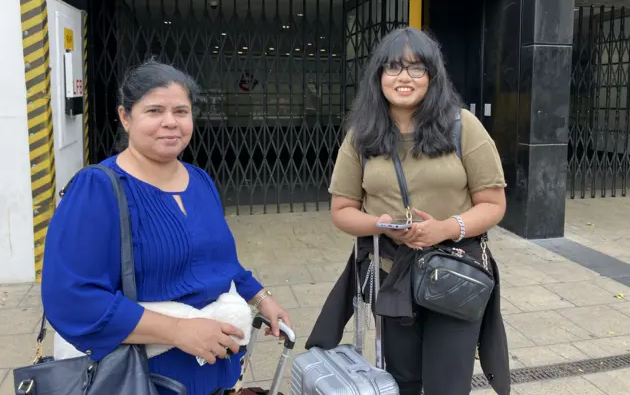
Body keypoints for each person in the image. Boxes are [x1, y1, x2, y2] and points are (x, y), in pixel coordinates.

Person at [41, 61, 291, 395]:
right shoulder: (97, 189)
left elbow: (220, 261)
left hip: (218, 370)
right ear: (125, 117)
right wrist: (178, 331)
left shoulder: (200, 181)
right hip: (141, 379)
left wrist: (261, 298)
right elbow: (71, 298)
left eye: (181, 111)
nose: (170, 122)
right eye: (155, 110)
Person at [305, 27, 510, 395]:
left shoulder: (464, 127)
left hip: (455, 276)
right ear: (378, 76)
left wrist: (446, 228)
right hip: (391, 277)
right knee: (401, 383)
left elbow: (494, 204)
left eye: (417, 68)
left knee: (449, 385)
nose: (404, 77)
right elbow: (342, 210)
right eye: (393, 67)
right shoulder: (362, 136)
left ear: (433, 76)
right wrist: (381, 225)